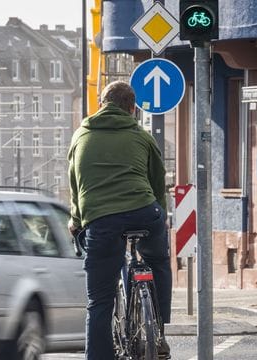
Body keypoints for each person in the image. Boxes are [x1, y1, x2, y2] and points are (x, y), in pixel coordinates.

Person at [68, 80, 172, 360]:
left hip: (101, 220)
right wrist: (159, 216)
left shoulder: (81, 135)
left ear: (101, 105)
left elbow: (75, 184)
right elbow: (157, 180)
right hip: (143, 211)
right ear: (132, 108)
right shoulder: (141, 135)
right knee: (158, 261)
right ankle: (159, 333)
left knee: (99, 300)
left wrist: (76, 220)